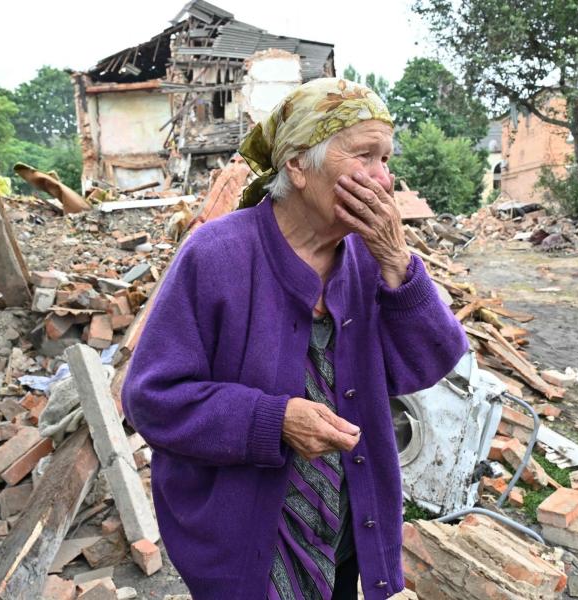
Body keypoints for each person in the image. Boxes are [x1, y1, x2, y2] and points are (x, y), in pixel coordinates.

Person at [122, 77, 469, 600]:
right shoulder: (216, 255)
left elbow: (434, 358)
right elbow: (151, 400)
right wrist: (273, 420)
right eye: (365, 156)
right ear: (297, 166)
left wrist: (399, 262)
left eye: (386, 159)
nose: (384, 179)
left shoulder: (371, 260)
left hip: (350, 528)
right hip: (245, 540)